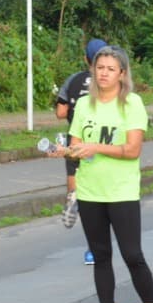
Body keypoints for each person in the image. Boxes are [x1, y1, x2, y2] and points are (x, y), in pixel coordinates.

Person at [64, 44, 153, 303]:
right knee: (101, 255)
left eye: (110, 69)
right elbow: (75, 145)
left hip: (122, 191)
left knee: (132, 255)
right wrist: (64, 151)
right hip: (90, 191)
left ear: (122, 74)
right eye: (99, 68)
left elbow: (132, 150)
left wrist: (95, 147)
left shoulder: (132, 103)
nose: (103, 73)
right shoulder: (83, 105)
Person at [55, 37, 107, 264]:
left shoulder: (73, 80)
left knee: (76, 181)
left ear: (85, 58)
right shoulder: (109, 80)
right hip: (102, 140)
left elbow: (60, 112)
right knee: (100, 196)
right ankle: (94, 248)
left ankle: (73, 195)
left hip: (76, 139)